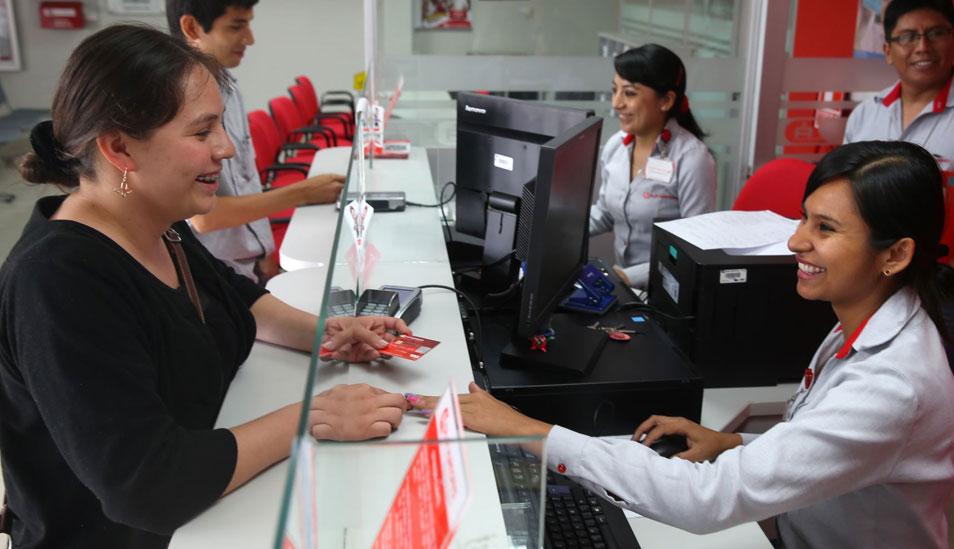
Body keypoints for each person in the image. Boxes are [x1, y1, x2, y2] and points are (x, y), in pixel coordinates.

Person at [413, 141, 954, 548]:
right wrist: (733, 445)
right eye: (803, 218)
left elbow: (706, 501)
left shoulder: (893, 384)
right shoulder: (869, 319)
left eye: (826, 229)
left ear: (896, 254)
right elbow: (823, 443)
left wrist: (526, 429)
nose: (796, 241)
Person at [0, 25, 407, 549]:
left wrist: (326, 333)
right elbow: (147, 485)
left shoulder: (154, 221)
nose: (226, 148)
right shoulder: (57, 281)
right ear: (119, 147)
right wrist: (314, 416)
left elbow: (234, 295)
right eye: (201, 132)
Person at [165, 0, 345, 285]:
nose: (250, 38)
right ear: (191, 27)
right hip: (214, 273)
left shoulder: (229, 86)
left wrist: (264, 247)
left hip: (247, 262)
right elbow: (205, 218)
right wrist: (304, 192)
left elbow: (246, 180)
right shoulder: (178, 105)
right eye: (237, 26)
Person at [589, 44, 716, 288]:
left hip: (667, 291)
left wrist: (630, 277)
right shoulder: (616, 146)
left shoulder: (693, 159)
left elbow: (693, 247)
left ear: (666, 100)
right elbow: (605, 213)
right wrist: (556, 229)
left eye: (629, 94)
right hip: (624, 287)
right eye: (615, 91)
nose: (616, 103)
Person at [844, 0, 954, 159]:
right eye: (907, 37)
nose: (922, 47)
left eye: (936, 33)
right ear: (888, 51)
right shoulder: (865, 114)